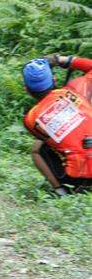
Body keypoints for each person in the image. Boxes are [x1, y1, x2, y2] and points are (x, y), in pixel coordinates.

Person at [22, 55, 92, 196]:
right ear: (53, 79)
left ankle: (60, 190)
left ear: (27, 89)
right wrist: (62, 60)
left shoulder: (30, 119)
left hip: (77, 179)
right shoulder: (74, 90)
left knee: (38, 149)